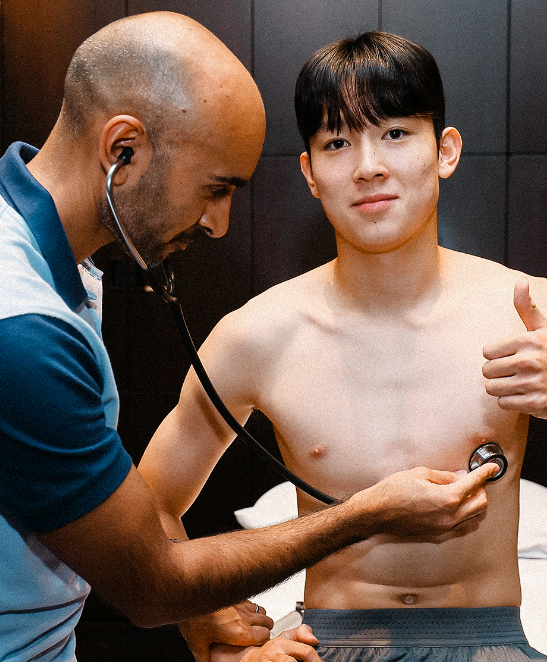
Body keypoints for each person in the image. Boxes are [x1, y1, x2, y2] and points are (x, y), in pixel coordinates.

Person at [0, 15, 499, 662]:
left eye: (397, 134)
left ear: (444, 150)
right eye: (216, 189)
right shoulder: (24, 326)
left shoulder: (61, 269)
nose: (218, 224)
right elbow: (151, 581)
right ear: (122, 150)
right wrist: (366, 514)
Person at [138, 31, 547, 662]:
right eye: (337, 143)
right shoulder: (258, 334)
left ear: (445, 151)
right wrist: (202, 621)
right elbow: (148, 508)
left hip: (487, 641)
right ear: (310, 173)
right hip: (328, 643)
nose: (368, 166)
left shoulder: (524, 310)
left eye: (395, 133)